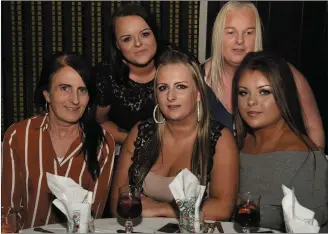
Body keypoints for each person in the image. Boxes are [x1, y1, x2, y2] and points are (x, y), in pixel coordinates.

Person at [110, 46, 239, 220]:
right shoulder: (141, 133)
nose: (171, 96)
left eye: (181, 87)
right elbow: (117, 203)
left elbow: (223, 208)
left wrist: (164, 209)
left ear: (198, 94)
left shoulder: (219, 139)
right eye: (163, 88)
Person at [1, 52, 115, 229]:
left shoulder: (103, 144)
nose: (75, 100)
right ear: (47, 94)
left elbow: (92, 218)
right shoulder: (19, 136)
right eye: (64, 88)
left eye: (82, 90)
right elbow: (7, 212)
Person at [203, 1, 325, 150]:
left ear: (257, 35)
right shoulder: (197, 77)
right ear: (218, 36)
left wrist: (314, 169)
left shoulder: (285, 73)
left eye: (248, 32)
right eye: (230, 32)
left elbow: (313, 127)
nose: (239, 41)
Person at [232, 51, 328, 232]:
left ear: (284, 94)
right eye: (243, 92)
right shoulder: (241, 145)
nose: (251, 101)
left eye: (264, 92)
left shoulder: (303, 158)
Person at [93, 3, 167, 146]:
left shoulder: (176, 62)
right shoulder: (105, 75)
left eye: (145, 34)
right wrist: (138, 142)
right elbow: (100, 122)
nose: (138, 44)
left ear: (155, 34)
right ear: (117, 45)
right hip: (126, 149)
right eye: (127, 39)